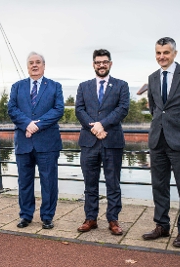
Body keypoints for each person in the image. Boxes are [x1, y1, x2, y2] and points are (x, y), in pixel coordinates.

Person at [142, 37, 180, 247]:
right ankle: (161, 225)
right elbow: (154, 108)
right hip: (157, 140)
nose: (162, 57)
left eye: (166, 53)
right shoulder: (152, 77)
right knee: (159, 186)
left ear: (174, 54)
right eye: (158, 53)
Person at [75, 49, 129, 235]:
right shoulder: (83, 86)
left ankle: (113, 220)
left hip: (112, 141)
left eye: (105, 62)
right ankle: (90, 219)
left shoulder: (121, 85)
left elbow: (122, 109)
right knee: (90, 184)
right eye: (98, 62)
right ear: (93, 64)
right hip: (89, 142)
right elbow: (79, 110)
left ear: (110, 64)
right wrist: (94, 128)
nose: (101, 65)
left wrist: (102, 124)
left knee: (113, 183)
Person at [8, 52, 64, 230]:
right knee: (24, 181)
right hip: (24, 142)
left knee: (48, 182)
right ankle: (26, 215)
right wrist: (27, 124)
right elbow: (12, 108)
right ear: (27, 66)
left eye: (38, 62)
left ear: (44, 65)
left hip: (47, 143)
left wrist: (37, 125)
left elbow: (58, 110)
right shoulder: (17, 87)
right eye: (31, 62)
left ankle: (47, 216)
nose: (34, 65)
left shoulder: (55, 87)